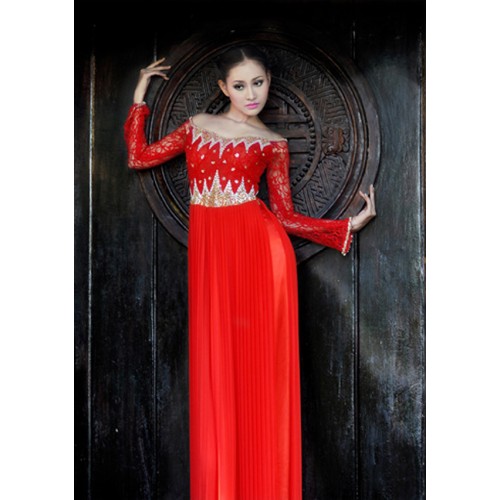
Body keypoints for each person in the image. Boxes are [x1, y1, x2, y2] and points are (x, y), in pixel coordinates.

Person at [124, 45, 376, 500]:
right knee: (218, 368)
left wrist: (346, 227)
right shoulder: (197, 125)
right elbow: (139, 157)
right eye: (240, 85)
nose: (251, 93)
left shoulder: (273, 144)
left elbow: (285, 215)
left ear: (268, 82)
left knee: (261, 375)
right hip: (214, 256)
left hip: (261, 256)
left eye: (258, 82)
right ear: (224, 88)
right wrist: (140, 94)